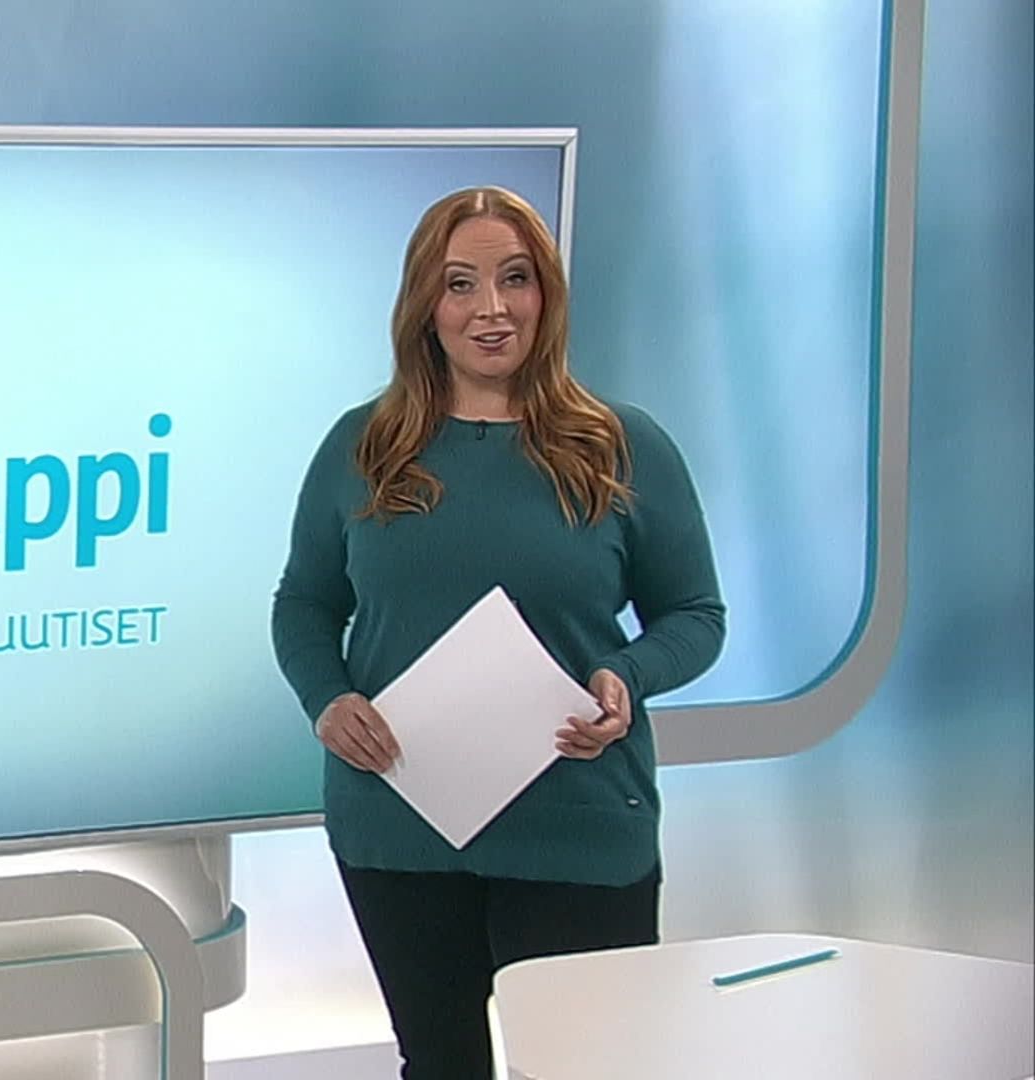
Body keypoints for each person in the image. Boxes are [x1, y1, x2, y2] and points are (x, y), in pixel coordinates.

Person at [270, 186, 726, 1080]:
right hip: (400, 828)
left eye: (515, 279)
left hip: (579, 826)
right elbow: (304, 603)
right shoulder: (362, 448)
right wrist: (327, 699)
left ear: (546, 295)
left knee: (589, 1069)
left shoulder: (622, 446)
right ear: (424, 305)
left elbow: (695, 617)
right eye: (460, 284)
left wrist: (625, 676)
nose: (492, 309)